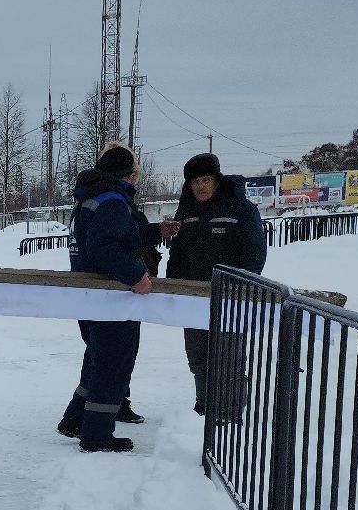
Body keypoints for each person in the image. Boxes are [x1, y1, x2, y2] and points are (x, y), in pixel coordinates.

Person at [57, 144, 162, 452]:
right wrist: (136, 276)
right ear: (129, 175)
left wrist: (155, 230)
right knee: (112, 364)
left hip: (88, 295)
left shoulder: (90, 197)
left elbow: (116, 236)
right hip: (110, 298)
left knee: (97, 359)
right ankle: (96, 434)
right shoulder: (113, 201)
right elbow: (104, 247)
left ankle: (75, 419)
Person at [165, 153, 266, 418]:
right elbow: (177, 253)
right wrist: (174, 286)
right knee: (198, 358)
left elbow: (255, 255)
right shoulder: (186, 211)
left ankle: (230, 414)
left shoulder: (241, 209)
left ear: (217, 180)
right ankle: (204, 408)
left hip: (229, 297)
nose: (201, 186)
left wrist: (241, 287)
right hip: (193, 298)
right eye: (195, 181)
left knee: (230, 360)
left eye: (206, 180)